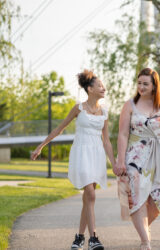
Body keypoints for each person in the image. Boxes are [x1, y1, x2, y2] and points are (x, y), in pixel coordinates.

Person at [31, 69, 116, 250]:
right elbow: (59, 129)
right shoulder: (79, 108)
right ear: (90, 89)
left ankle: (79, 237)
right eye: (100, 85)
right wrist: (41, 146)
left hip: (97, 155)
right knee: (91, 195)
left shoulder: (105, 112)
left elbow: (106, 141)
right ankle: (94, 239)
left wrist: (114, 164)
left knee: (88, 198)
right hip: (81, 154)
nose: (104, 88)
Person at [115, 67, 160, 250]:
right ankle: (145, 242)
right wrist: (120, 161)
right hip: (135, 157)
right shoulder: (129, 105)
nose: (141, 87)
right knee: (137, 197)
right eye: (139, 83)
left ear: (154, 86)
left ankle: (144, 228)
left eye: (145, 84)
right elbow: (122, 134)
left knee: (158, 199)